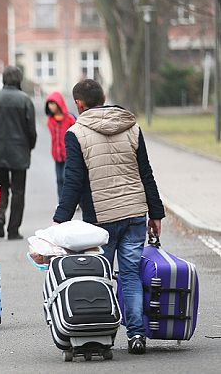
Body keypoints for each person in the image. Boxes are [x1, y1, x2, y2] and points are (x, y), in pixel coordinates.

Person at [53, 79, 165, 355]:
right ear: (103, 98)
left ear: (79, 104)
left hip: (101, 219)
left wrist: (60, 220)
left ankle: (101, 333)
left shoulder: (76, 133)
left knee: (99, 277)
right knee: (130, 275)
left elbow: (74, 181)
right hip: (135, 212)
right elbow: (146, 173)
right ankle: (137, 335)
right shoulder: (131, 126)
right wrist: (156, 213)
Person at [0, 66, 37, 240]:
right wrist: (29, 146)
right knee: (18, 191)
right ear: (19, 79)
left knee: (1, 187)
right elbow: (31, 130)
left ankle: (0, 216)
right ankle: (13, 229)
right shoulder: (25, 100)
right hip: (20, 151)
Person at [44, 92, 76, 201]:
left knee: (66, 178)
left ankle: (71, 200)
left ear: (59, 104)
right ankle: (61, 201)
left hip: (68, 154)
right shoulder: (50, 121)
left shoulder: (69, 119)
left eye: (53, 103)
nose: (50, 106)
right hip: (57, 155)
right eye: (49, 104)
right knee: (59, 179)